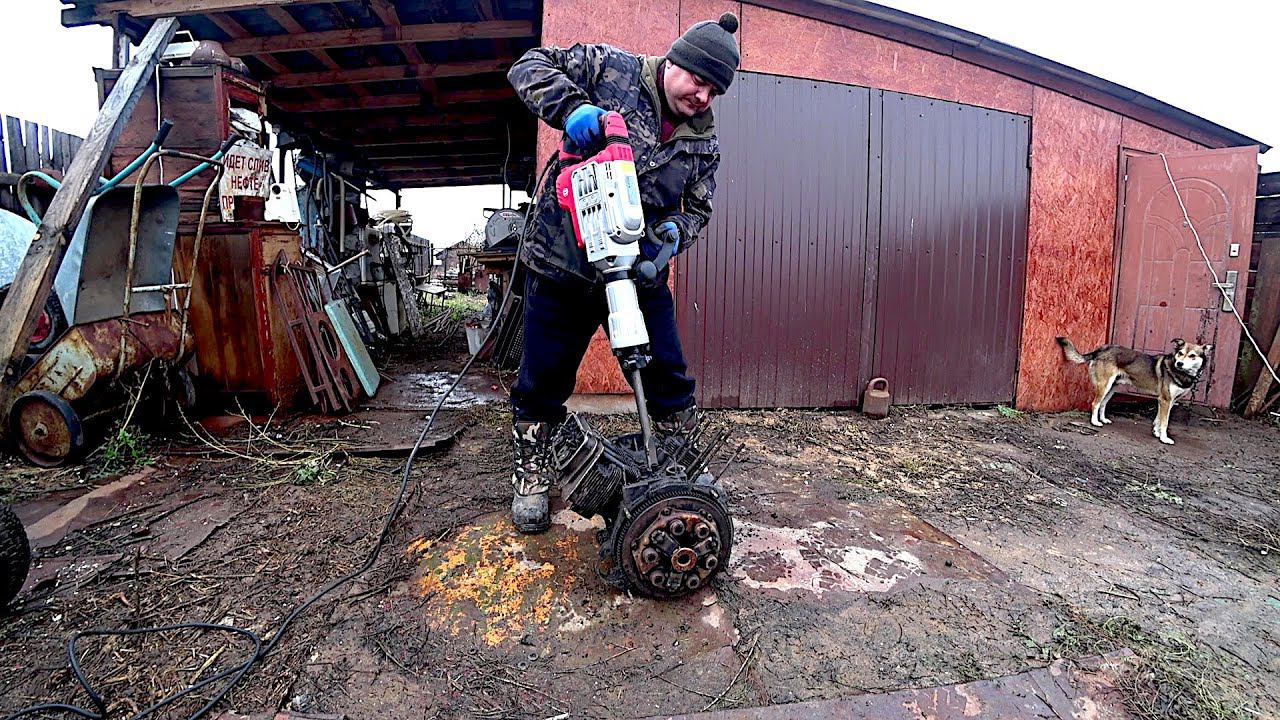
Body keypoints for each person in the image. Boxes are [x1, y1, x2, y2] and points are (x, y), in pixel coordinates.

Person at [503, 13, 741, 533]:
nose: (702, 96)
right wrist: (573, 108)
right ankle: (532, 470)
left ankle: (678, 466)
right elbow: (526, 67)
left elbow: (697, 209)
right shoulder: (610, 69)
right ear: (675, 61)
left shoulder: (704, 143)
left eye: (714, 90)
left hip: (637, 269)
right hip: (564, 261)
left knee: (668, 374)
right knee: (542, 376)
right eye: (698, 80)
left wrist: (673, 235)